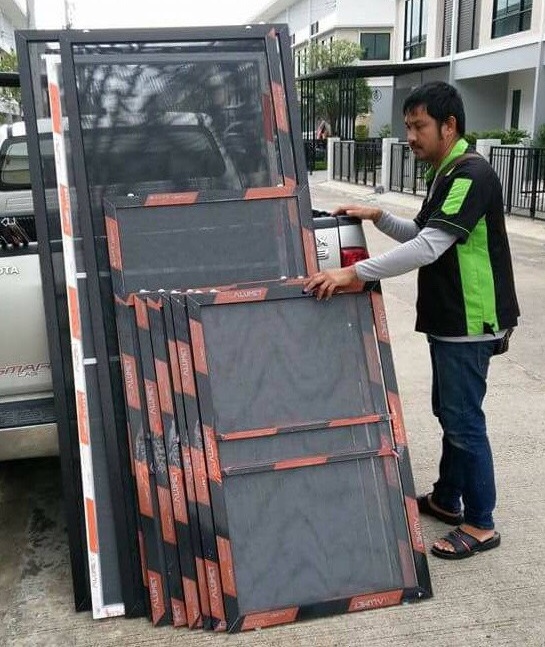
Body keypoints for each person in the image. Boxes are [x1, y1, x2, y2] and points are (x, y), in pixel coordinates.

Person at [304, 81, 520, 560]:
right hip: (449, 319)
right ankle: (447, 498)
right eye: (407, 126)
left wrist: (352, 273)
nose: (410, 136)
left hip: (470, 320)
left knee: (463, 420)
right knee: (450, 412)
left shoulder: (471, 175)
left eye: (419, 126)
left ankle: (480, 523)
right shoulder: (447, 173)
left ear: (449, 125)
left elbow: (427, 247)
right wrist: (377, 215)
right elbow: (422, 231)